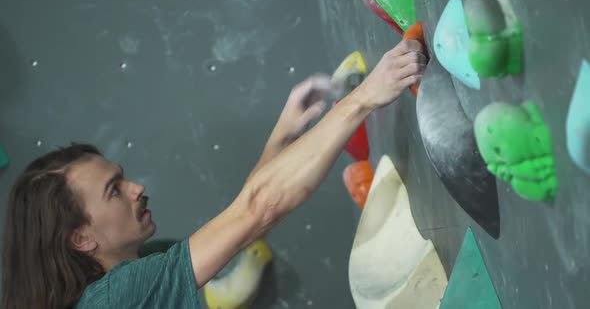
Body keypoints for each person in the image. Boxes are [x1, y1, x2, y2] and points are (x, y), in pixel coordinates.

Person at [1, 39, 426, 309]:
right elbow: (256, 210)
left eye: (122, 177)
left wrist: (284, 131)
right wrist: (367, 96)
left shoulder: (141, 264)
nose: (137, 188)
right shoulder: (113, 298)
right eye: (115, 190)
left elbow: (246, 220)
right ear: (81, 238)